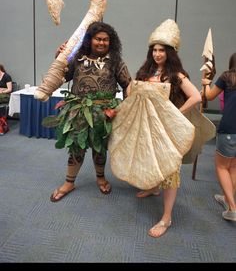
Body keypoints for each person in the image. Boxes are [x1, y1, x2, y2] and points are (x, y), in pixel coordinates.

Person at [109, 19, 202, 238]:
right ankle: (153, 187)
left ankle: (166, 218)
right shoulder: (144, 73)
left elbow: (196, 96)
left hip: (166, 132)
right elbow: (131, 95)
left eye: (162, 50)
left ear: (171, 52)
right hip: (144, 128)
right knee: (147, 158)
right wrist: (119, 111)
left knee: (170, 170)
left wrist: (176, 115)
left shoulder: (177, 75)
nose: (157, 54)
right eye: (154, 50)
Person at [50, 21, 132, 202]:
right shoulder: (77, 57)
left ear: (111, 42)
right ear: (90, 40)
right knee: (76, 147)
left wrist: (126, 108)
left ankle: (101, 178)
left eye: (105, 40)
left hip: (103, 113)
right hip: (78, 111)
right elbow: (62, 76)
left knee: (100, 148)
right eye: (98, 39)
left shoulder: (115, 61)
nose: (102, 43)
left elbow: (128, 84)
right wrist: (60, 56)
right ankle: (69, 182)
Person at [202, 52, 236, 221]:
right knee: (233, 167)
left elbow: (209, 96)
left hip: (229, 128)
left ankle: (233, 208)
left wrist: (205, 83)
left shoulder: (228, 76)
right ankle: (227, 198)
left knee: (222, 167)